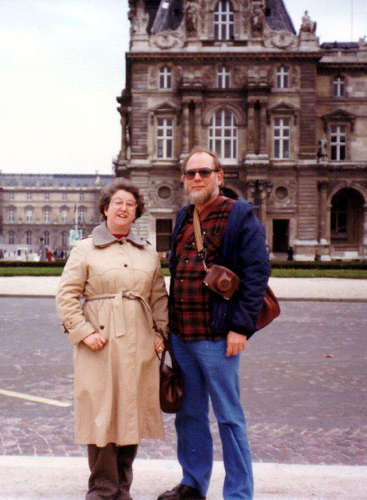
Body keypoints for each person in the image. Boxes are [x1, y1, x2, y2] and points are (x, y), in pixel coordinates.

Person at [158, 147, 270, 500]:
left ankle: (238, 493)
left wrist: (241, 328)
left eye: (204, 172)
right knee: (188, 415)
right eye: (191, 173)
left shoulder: (239, 215)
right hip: (182, 336)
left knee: (229, 418)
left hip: (218, 337)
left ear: (219, 177)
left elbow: (256, 275)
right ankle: (193, 484)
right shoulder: (182, 217)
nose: (196, 179)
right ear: (183, 179)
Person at [56, 178, 169, 500]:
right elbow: (66, 296)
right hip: (99, 344)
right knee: (101, 411)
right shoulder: (84, 249)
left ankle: (123, 486)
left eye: (130, 205)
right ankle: (103, 487)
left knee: (131, 410)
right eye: (117, 203)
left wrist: (161, 333)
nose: (123, 208)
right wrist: (84, 332)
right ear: (105, 209)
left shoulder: (148, 253)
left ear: (136, 213)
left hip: (140, 342)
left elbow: (159, 297)